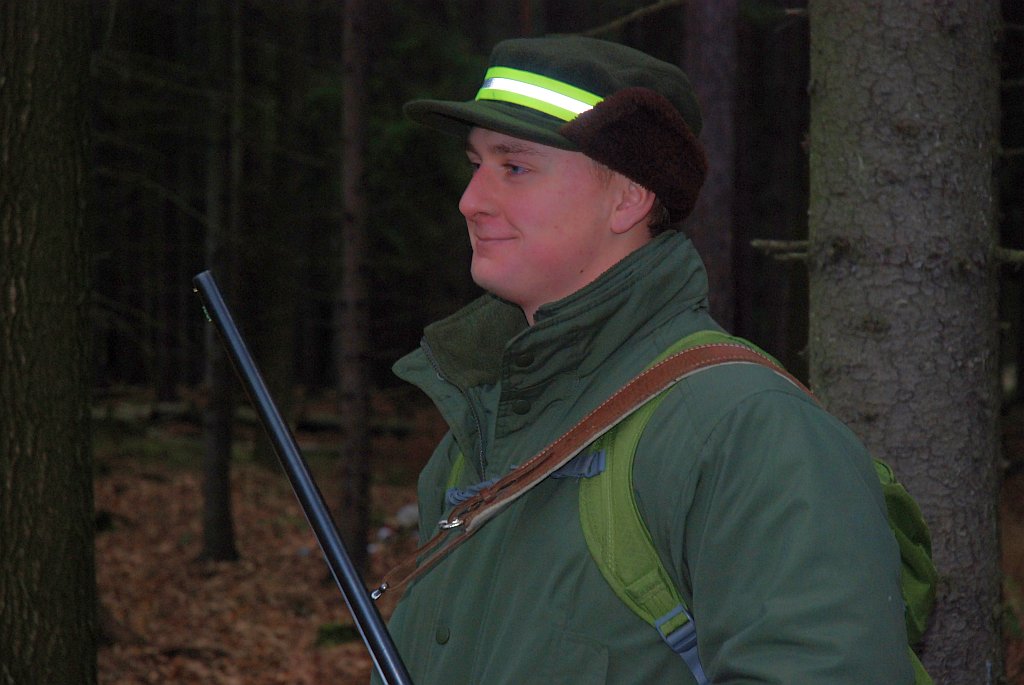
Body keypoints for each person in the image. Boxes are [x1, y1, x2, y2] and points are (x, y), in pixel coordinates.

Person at [375, 35, 914, 684]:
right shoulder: (479, 430)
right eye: (475, 164)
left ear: (628, 198)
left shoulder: (747, 431)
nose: (471, 201)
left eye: (513, 167)